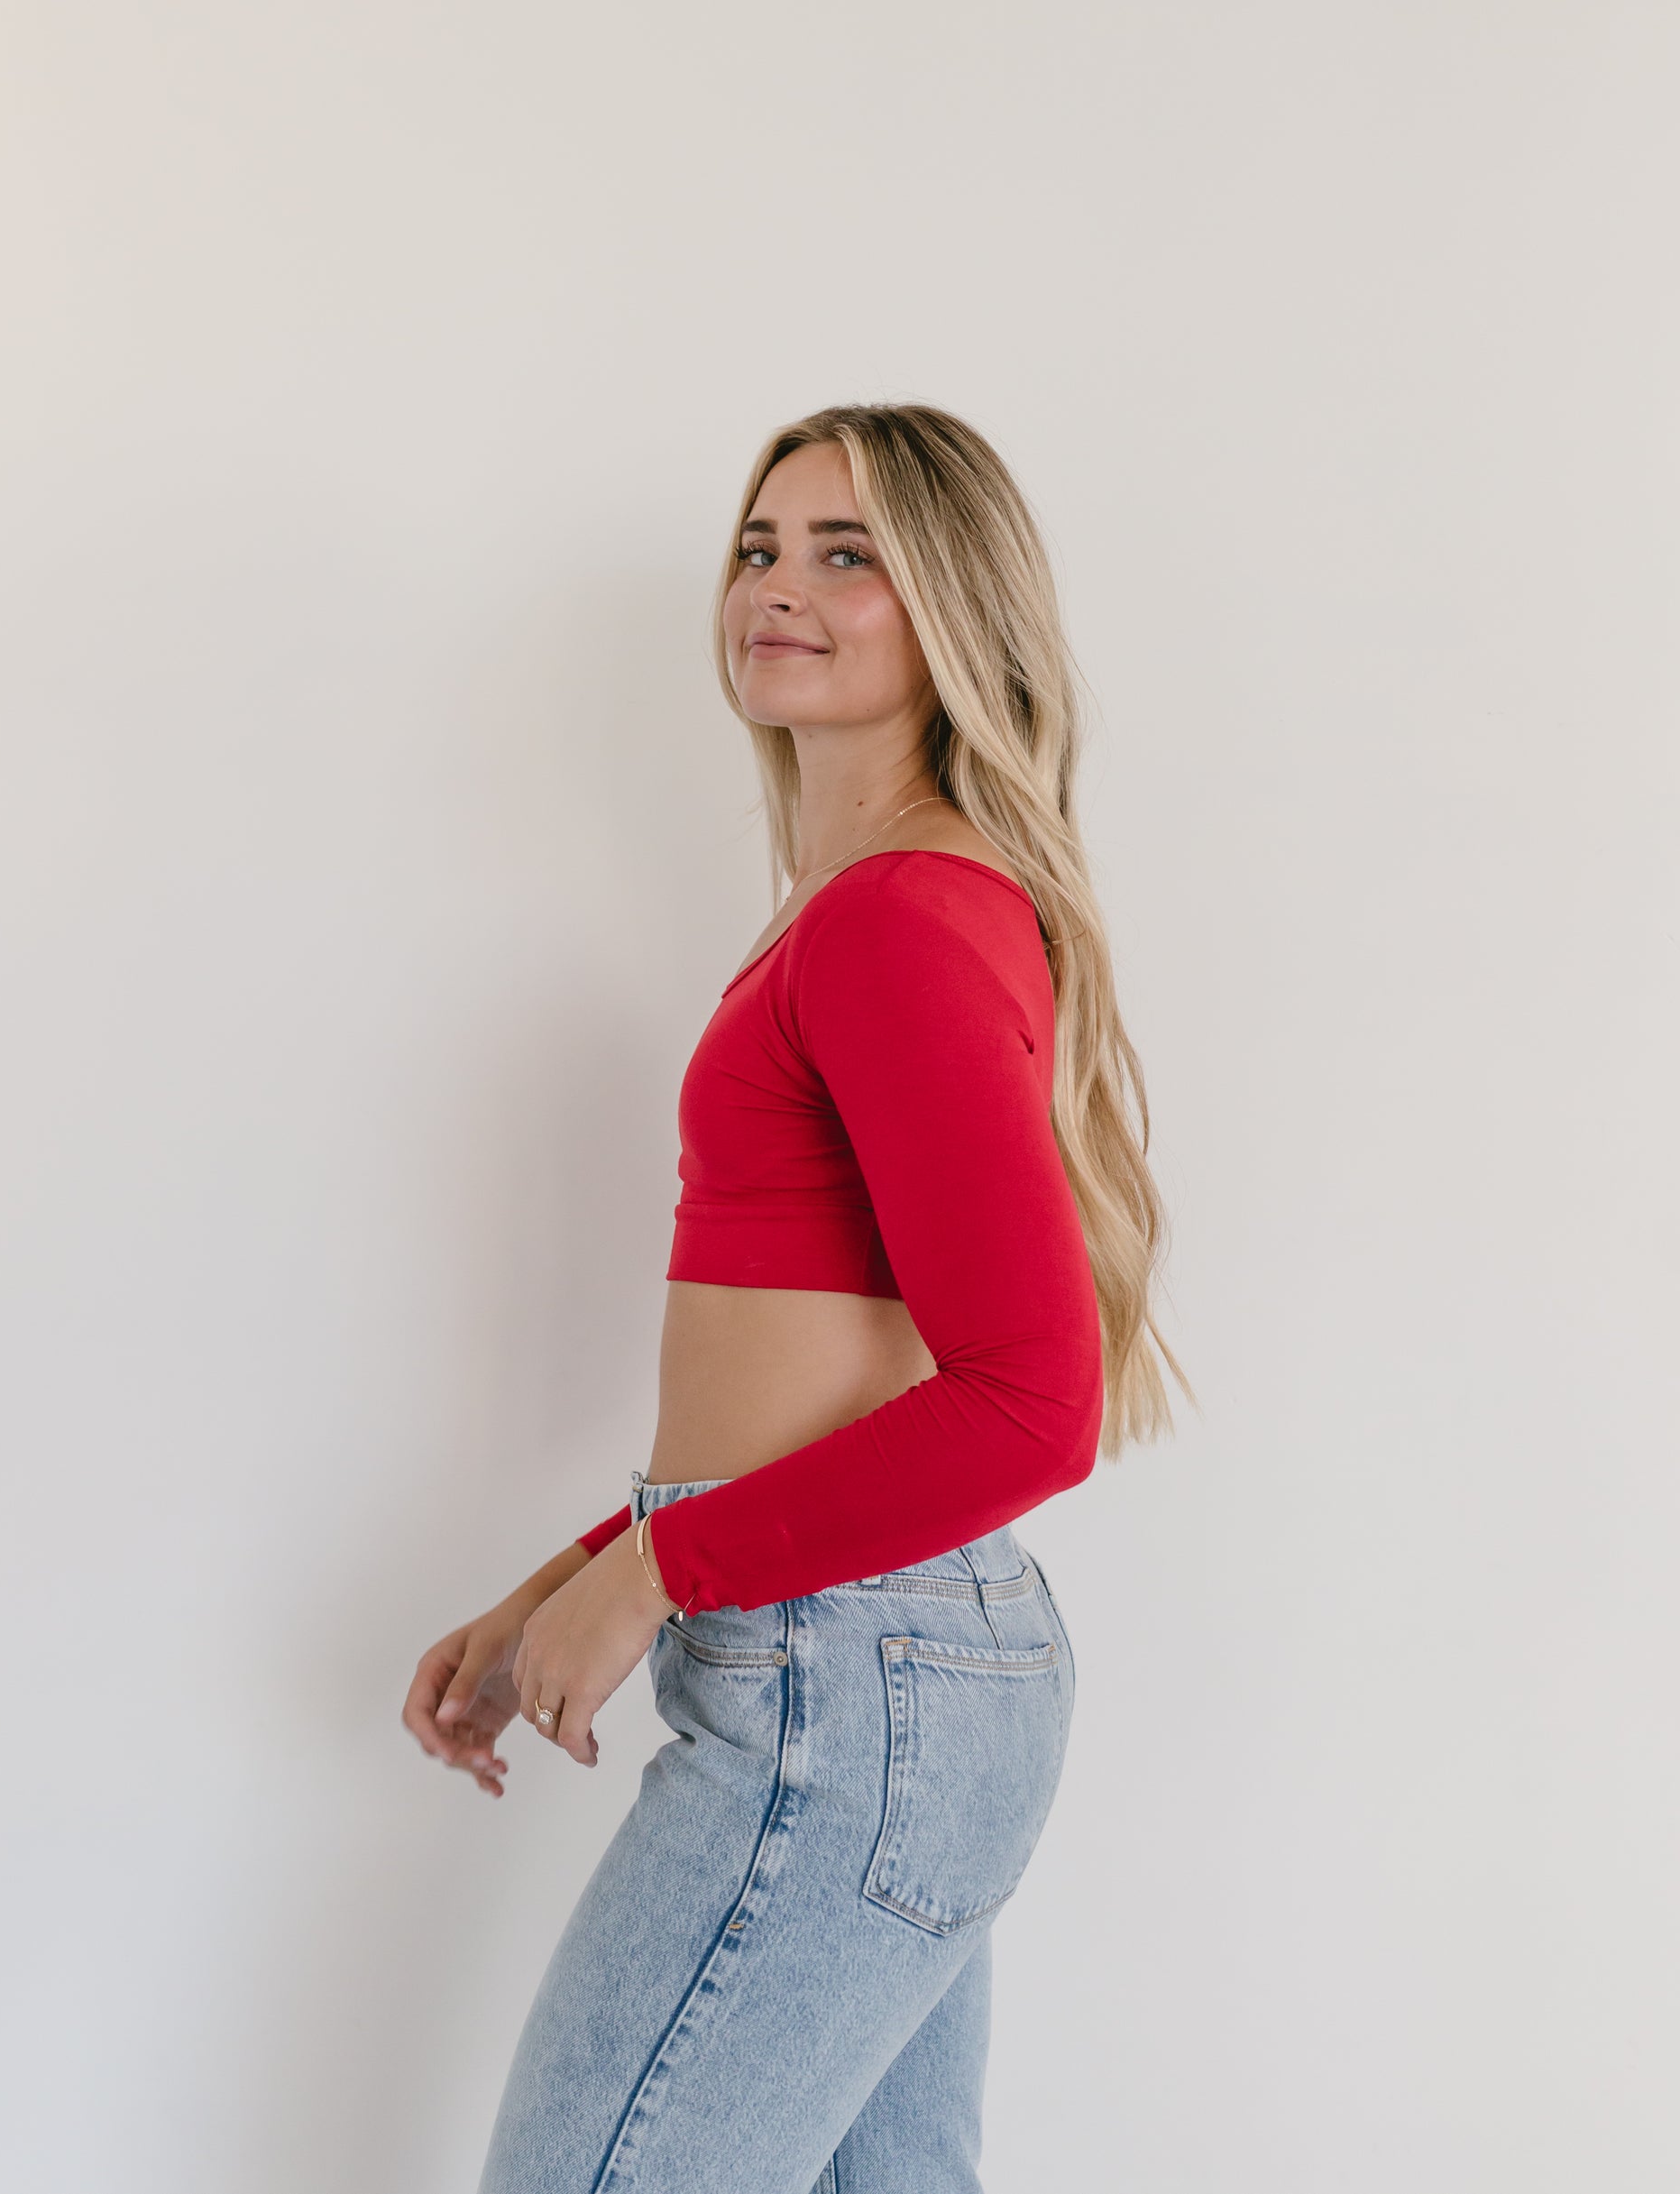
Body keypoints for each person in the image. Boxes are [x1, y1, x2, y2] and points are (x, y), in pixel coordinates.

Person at [402, 401, 1188, 2194]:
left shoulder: (892, 921)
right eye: (762, 545)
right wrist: (575, 1571)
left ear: (954, 615)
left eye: (851, 555)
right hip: (897, 1662)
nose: (782, 586)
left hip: (856, 1675)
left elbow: (1027, 1396)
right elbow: (833, 1380)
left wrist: (662, 1569)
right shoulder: (876, 907)